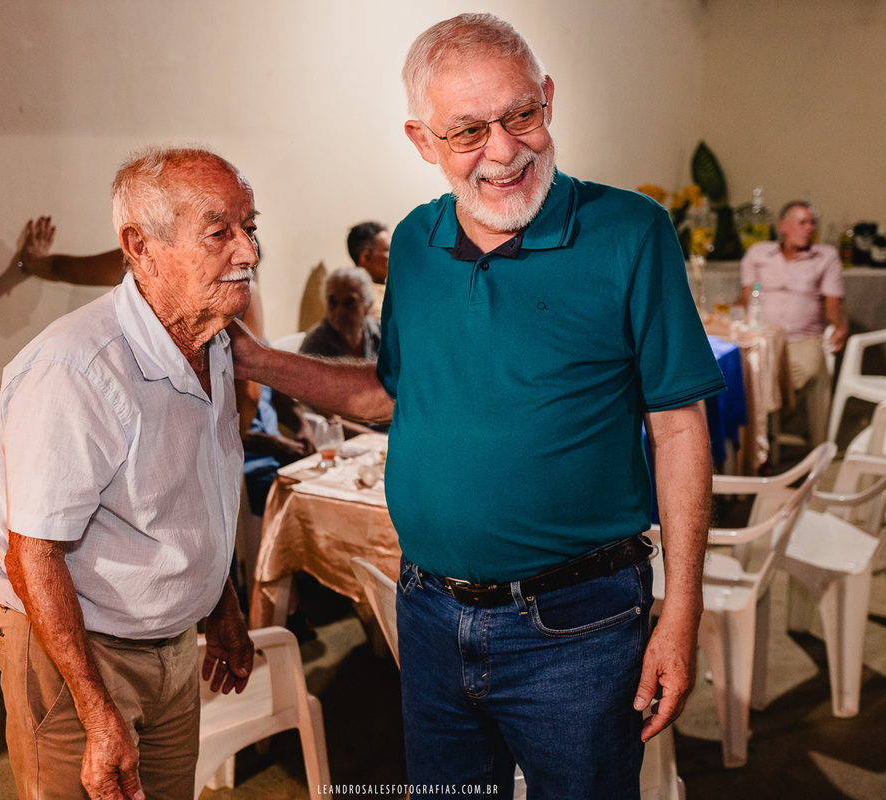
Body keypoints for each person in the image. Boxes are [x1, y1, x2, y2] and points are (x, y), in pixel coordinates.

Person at [228, 14, 723, 799]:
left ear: (548, 98)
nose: (503, 150)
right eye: (468, 131)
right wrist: (258, 361)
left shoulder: (632, 232)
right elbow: (390, 394)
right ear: (422, 140)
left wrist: (683, 608)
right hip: (427, 610)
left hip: (579, 626)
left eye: (521, 114)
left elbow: (679, 430)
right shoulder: (414, 245)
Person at [0, 146, 258, 800]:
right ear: (141, 247)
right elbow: (32, 553)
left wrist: (220, 604)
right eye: (219, 232)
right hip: (77, 652)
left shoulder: (215, 343)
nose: (249, 251)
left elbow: (194, 496)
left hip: (173, 646)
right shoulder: (75, 369)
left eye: (251, 228)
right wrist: (95, 707)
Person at [9, 215, 314, 515]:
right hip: (184, 446)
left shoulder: (144, 261)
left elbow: (64, 268)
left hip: (156, 444)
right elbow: (249, 396)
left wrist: (34, 262)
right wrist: (225, 450)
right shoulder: (240, 294)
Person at [738, 200, 848, 447]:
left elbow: (834, 303)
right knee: (740, 370)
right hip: (761, 336)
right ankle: (758, 437)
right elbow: (746, 298)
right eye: (802, 222)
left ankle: (766, 431)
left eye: (812, 223)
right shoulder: (758, 253)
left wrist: (841, 326)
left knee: (798, 371)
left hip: (803, 339)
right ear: (783, 226)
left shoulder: (826, 257)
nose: (809, 228)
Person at [300, 267, 382, 361]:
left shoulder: (380, 333)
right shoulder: (315, 344)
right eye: (333, 303)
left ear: (368, 306)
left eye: (349, 303)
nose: (339, 312)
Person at [346, 221, 390, 318]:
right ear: (366, 258)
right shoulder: (363, 298)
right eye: (387, 249)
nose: (394, 254)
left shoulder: (392, 285)